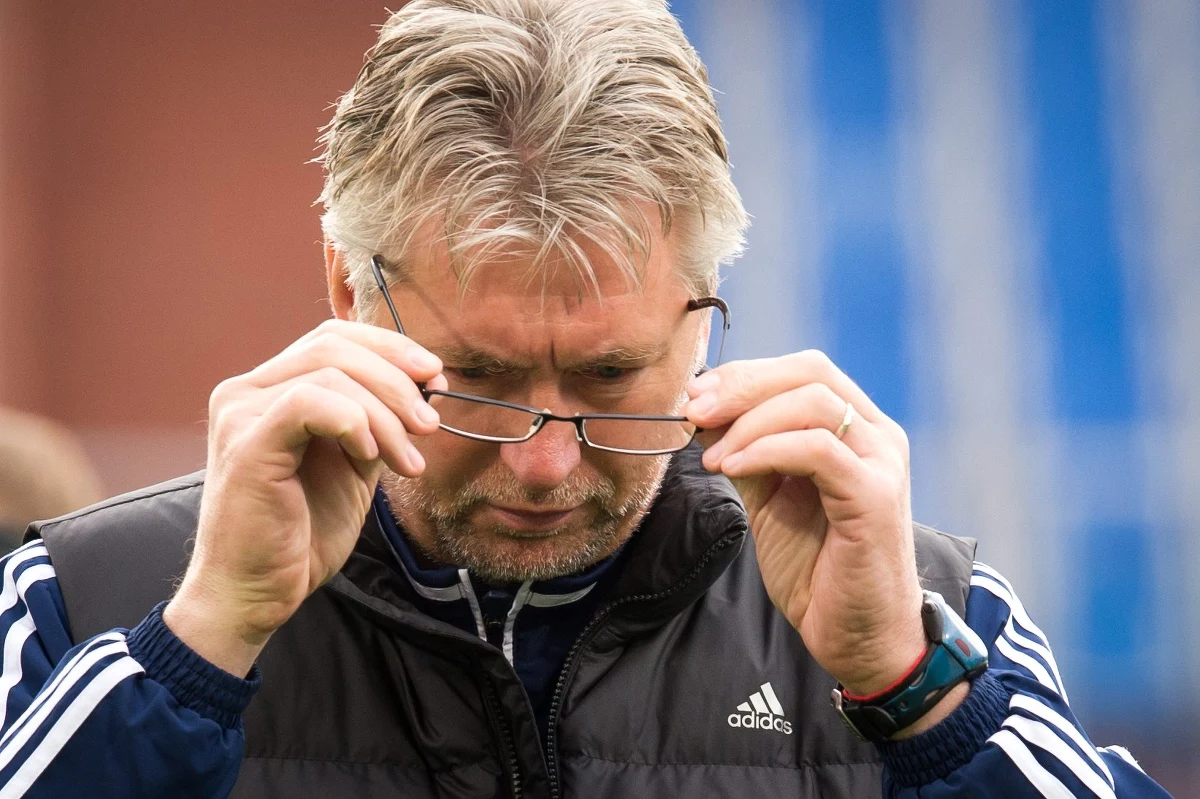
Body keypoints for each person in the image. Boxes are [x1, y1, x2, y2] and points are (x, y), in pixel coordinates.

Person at [1, 1, 1172, 796]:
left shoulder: (932, 611)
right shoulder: (80, 599)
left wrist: (911, 694)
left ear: (707, 303)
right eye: (482, 377)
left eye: (613, 376)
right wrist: (203, 645)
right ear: (347, 291)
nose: (547, 463)